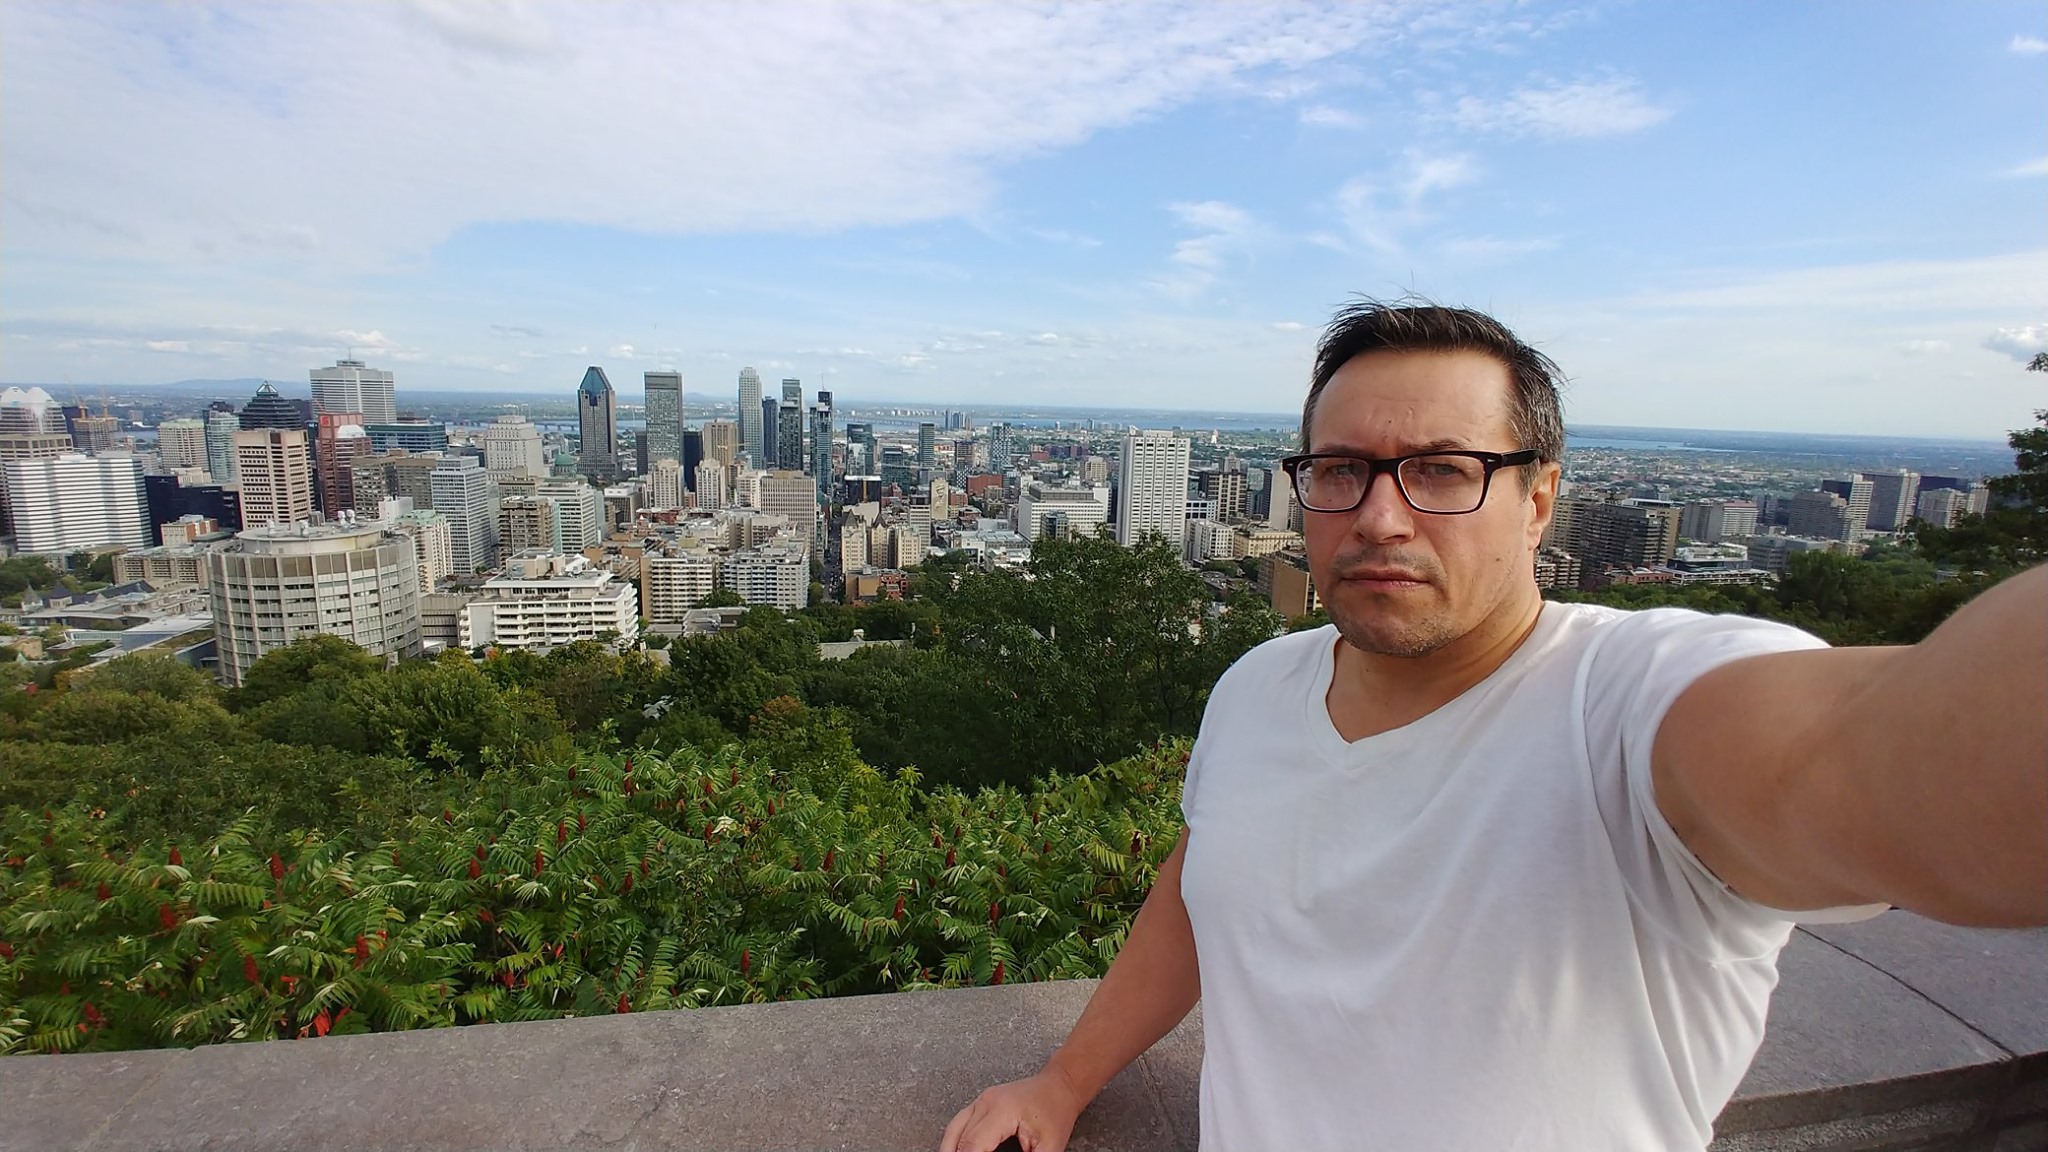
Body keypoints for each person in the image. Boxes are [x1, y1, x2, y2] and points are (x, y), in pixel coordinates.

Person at [939, 301, 2046, 1152]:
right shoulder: (1258, 686)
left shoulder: (1626, 705)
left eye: (1441, 471)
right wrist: (1063, 1081)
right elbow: (1201, 885)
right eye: (1340, 471)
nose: (1380, 516)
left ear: (1537, 499)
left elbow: (1879, 760)